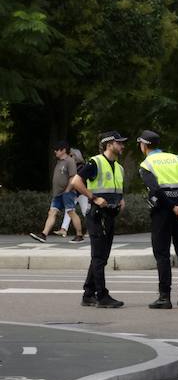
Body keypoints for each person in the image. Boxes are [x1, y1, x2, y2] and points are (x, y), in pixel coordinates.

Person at [68, 131, 128, 309]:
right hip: (97, 215)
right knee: (99, 256)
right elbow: (76, 182)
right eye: (119, 143)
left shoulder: (119, 167)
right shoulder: (96, 162)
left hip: (110, 215)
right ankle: (101, 296)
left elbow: (117, 189)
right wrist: (93, 197)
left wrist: (121, 199)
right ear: (109, 144)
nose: (123, 146)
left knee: (102, 256)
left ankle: (88, 294)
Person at [137, 131, 178, 309]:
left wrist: (171, 207)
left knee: (162, 254)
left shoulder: (147, 164)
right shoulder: (177, 159)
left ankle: (164, 297)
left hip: (163, 211)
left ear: (145, 146)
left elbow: (155, 190)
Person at [29, 142, 83, 244]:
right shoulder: (59, 162)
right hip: (58, 194)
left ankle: (79, 235)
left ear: (63, 150)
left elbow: (73, 177)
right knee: (52, 212)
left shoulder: (70, 161)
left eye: (57, 149)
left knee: (71, 212)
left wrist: (68, 190)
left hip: (68, 192)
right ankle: (44, 234)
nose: (55, 151)